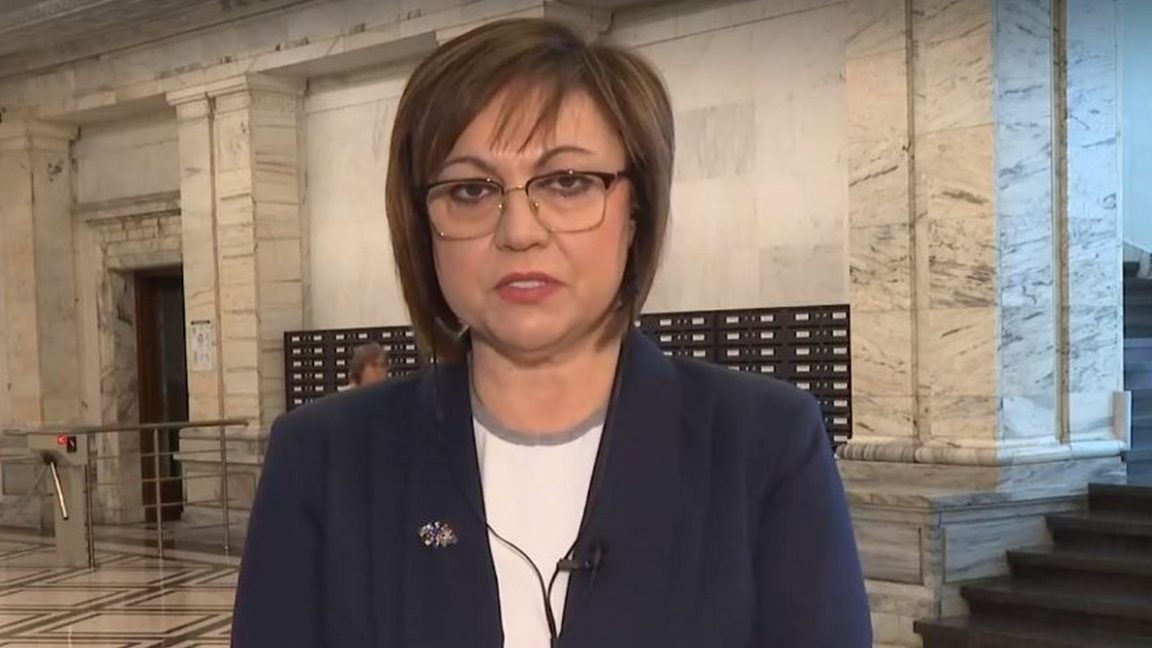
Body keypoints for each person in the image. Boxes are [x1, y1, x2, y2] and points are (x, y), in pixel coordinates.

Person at [232, 18, 871, 648]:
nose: (519, 231)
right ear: (422, 225)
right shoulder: (322, 460)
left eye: (567, 182)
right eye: (470, 190)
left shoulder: (765, 446)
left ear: (635, 210)